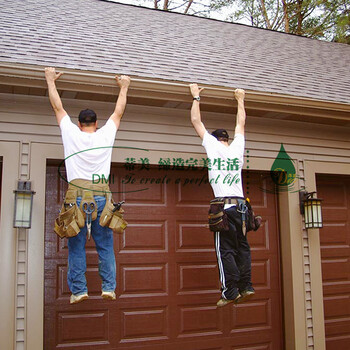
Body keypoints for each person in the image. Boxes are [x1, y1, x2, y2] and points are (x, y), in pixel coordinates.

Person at [45, 67, 130, 304]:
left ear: (80, 124)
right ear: (96, 123)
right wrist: (124, 86)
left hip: (76, 197)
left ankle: (79, 291)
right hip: (102, 196)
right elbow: (119, 112)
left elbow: (57, 107)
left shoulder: (71, 132)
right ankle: (109, 288)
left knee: (76, 246)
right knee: (105, 246)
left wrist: (50, 80)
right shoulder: (105, 134)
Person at [189, 83, 254, 307]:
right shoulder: (237, 148)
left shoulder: (213, 146)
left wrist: (196, 97)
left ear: (216, 139)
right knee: (242, 247)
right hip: (243, 209)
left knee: (225, 250)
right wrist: (240, 98)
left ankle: (229, 291)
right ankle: (246, 286)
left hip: (225, 208)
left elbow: (196, 122)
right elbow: (241, 123)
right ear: (227, 139)